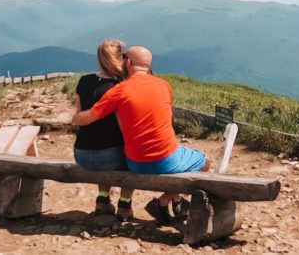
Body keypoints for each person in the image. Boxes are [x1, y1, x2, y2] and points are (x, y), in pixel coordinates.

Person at [71, 45, 209, 225]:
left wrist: (75, 117)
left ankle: (174, 200)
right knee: (204, 162)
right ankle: (165, 201)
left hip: (135, 162)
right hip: (166, 159)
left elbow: (87, 118)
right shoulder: (164, 85)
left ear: (128, 62)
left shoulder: (119, 91)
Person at [72, 39, 136, 221]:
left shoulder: (83, 81)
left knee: (100, 143)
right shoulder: (120, 88)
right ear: (122, 59)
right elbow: (125, 129)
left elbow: (78, 116)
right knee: (131, 155)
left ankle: (102, 200)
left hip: (81, 154)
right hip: (110, 157)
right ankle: (125, 204)